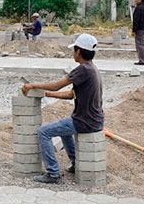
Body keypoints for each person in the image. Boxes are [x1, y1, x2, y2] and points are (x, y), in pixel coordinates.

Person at [21, 33, 104, 184]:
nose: (73, 53)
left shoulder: (82, 69)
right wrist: (46, 93)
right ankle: (75, 162)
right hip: (93, 120)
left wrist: (33, 85)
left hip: (84, 121)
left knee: (43, 132)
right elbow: (71, 94)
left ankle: (53, 173)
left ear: (79, 51)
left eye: (74, 50)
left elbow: (57, 85)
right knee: (64, 129)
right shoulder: (92, 69)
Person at [132, 0, 144, 65]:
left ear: (140, 0)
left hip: (140, 29)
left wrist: (134, 30)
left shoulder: (138, 8)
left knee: (140, 45)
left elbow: (136, 20)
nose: (135, 0)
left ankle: (142, 60)